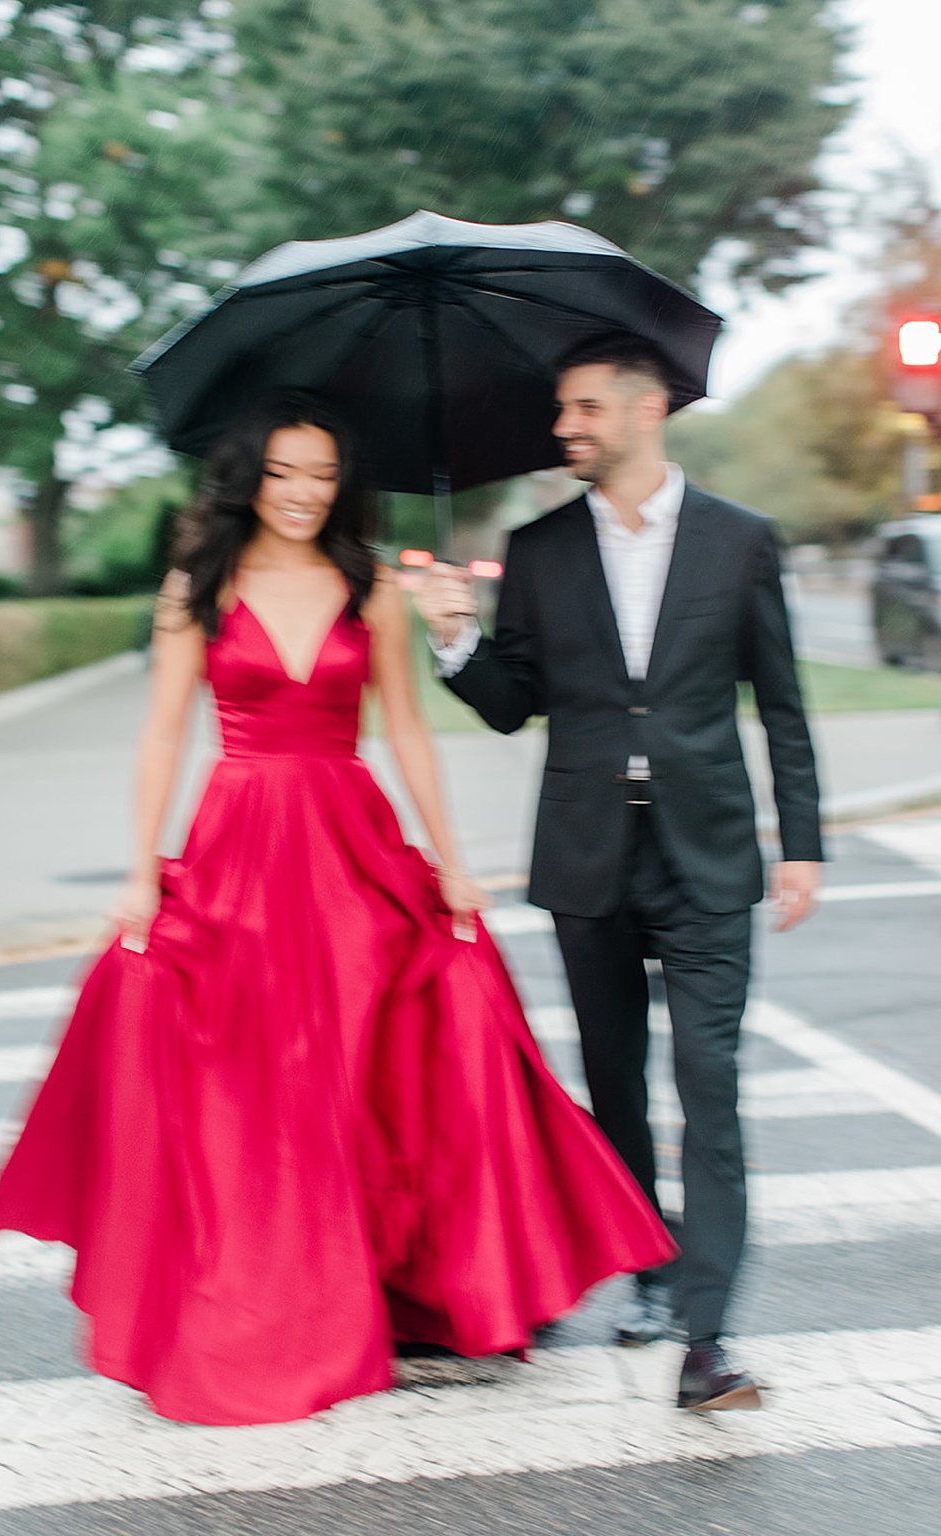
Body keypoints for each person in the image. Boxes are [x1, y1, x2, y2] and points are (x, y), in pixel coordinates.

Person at [0, 392, 673, 1427]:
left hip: (350, 844)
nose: (303, 493)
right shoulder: (197, 588)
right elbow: (164, 736)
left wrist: (449, 859)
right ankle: (263, 1294)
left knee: (380, 1063)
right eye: (283, 473)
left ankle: (403, 1281)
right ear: (250, 478)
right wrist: (137, 869)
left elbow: (408, 733)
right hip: (240, 848)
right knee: (250, 1084)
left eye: (320, 475)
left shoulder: (371, 587)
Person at [416, 336, 823, 1413]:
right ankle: (645, 1266)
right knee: (614, 1087)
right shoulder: (537, 546)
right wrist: (456, 641)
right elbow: (514, 703)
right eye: (563, 410)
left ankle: (707, 1329)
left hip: (706, 853)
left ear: (646, 411)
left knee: (710, 1084)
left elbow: (779, 703)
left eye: (586, 407)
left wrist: (803, 841)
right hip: (588, 852)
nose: (567, 427)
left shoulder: (739, 542)